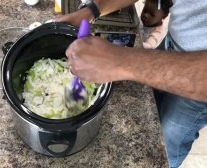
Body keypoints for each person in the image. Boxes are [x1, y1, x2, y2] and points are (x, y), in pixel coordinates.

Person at [54, 0, 207, 167]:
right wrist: (92, 9)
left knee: (168, 141)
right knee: (151, 112)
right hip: (175, 42)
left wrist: (121, 60)